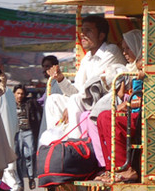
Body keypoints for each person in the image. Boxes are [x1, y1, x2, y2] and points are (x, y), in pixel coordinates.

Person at [40, 16, 124, 145]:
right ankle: (56, 142)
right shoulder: (87, 58)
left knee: (74, 100)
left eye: (88, 31)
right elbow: (77, 89)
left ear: (101, 35)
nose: (83, 34)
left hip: (102, 101)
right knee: (54, 100)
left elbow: (90, 86)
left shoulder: (111, 51)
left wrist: (70, 104)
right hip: (85, 100)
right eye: (82, 30)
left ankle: (75, 144)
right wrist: (61, 79)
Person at [94, 29, 144, 182]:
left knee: (109, 118)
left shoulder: (146, 67)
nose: (124, 53)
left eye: (127, 48)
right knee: (103, 117)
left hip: (144, 116)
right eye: (122, 49)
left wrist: (128, 103)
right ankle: (112, 168)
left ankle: (125, 168)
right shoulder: (132, 69)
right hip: (134, 112)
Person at [11, 85, 41, 191]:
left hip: (28, 131)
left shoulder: (29, 103)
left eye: (22, 94)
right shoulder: (10, 103)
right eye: (18, 93)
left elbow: (39, 113)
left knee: (30, 154)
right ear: (14, 93)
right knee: (17, 157)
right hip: (16, 132)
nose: (20, 96)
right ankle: (20, 183)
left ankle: (31, 177)